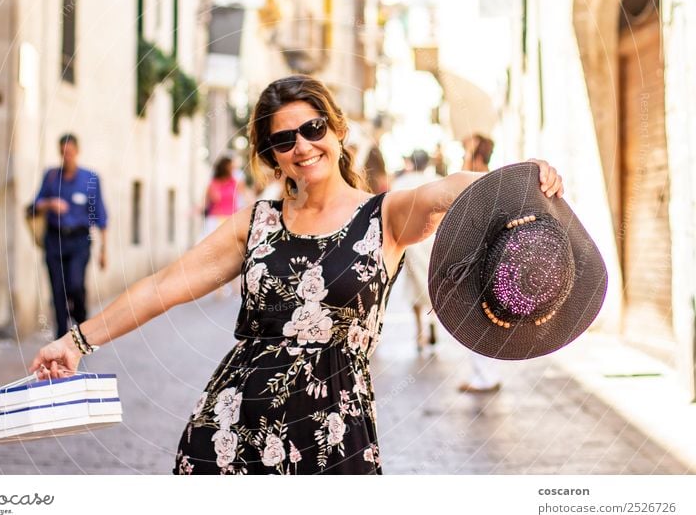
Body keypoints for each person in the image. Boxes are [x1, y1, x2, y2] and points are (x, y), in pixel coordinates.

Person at [29, 75, 563, 474]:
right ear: (272, 158)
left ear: (336, 130)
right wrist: (77, 341)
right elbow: (163, 287)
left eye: (313, 129)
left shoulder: (387, 215)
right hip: (231, 430)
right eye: (285, 141)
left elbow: (449, 188)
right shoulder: (256, 225)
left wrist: (514, 178)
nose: (303, 146)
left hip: (336, 437)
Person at [32, 134, 108, 339]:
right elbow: (34, 206)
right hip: (54, 240)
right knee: (57, 290)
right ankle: (61, 337)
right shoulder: (50, 176)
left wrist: (103, 251)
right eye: (63, 152)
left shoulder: (90, 179)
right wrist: (50, 203)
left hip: (79, 241)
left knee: (75, 285)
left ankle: (81, 322)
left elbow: (101, 215)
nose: (66, 156)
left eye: (70, 152)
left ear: (77, 151)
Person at [457, 132, 503, 394]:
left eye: (466, 152)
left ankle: (485, 377)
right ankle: (483, 375)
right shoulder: (491, 180)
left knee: (478, 321)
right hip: (483, 260)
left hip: (481, 262)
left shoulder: (479, 182)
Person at [391, 149, 440, 351]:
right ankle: (433, 323)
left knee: (415, 286)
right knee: (434, 283)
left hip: (411, 243)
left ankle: (420, 331)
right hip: (433, 240)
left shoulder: (401, 183)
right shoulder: (437, 180)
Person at [203, 156, 247, 237]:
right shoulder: (213, 183)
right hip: (215, 220)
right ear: (225, 168)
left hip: (231, 219)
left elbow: (245, 197)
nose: (234, 169)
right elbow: (209, 201)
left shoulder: (236, 182)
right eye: (231, 167)